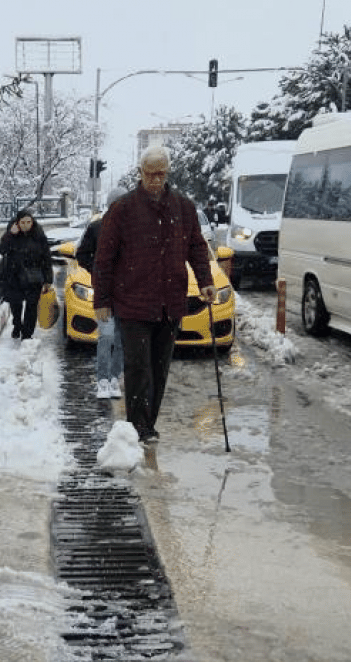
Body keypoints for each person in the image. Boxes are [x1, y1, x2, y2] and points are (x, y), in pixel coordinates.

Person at [93, 146, 218, 443]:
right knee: (138, 367)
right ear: (140, 172)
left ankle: (149, 422)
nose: (155, 179)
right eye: (150, 173)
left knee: (160, 369)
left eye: (160, 173)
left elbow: (197, 248)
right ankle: (138, 427)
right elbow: (104, 257)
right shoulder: (122, 209)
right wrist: (102, 300)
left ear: (168, 173)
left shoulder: (183, 208)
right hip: (133, 303)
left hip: (170, 303)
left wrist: (206, 281)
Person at [76, 187, 128, 399]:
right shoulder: (97, 227)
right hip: (104, 292)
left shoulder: (133, 230)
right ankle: (102, 380)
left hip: (127, 294)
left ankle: (115, 378)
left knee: (122, 338)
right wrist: (96, 270)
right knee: (106, 336)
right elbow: (82, 254)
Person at [0, 207, 54, 340]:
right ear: (17, 223)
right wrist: (10, 235)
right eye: (22, 222)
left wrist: (48, 279)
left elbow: (46, 257)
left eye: (28, 222)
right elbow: (2, 250)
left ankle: (27, 334)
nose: (26, 225)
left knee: (31, 306)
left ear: (32, 222)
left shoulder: (39, 235)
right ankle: (17, 325)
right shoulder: (11, 234)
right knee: (16, 305)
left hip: (34, 277)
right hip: (15, 276)